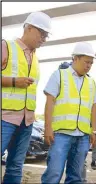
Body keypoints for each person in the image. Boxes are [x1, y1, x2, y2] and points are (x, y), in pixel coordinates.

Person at [1, 11, 51, 184]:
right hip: (4, 118)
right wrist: (14, 81)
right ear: (29, 28)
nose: (44, 39)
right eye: (42, 33)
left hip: (26, 122)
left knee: (16, 166)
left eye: (46, 36)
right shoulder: (6, 46)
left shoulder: (35, 58)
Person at [41, 42, 96, 183]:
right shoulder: (59, 75)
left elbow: (94, 107)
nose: (89, 65)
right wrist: (48, 128)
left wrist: (93, 130)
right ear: (75, 58)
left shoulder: (91, 82)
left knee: (76, 177)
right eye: (86, 62)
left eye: (91, 63)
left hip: (82, 136)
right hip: (61, 135)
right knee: (53, 174)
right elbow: (50, 102)